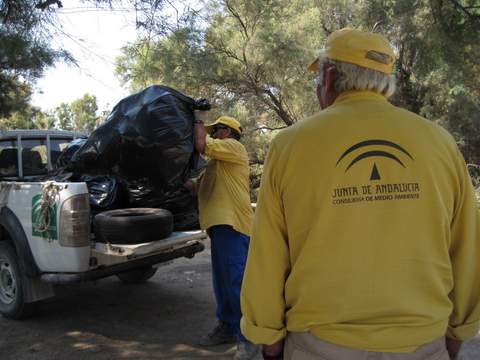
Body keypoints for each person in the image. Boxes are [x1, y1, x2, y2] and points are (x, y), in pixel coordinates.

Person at [240, 28, 480, 360]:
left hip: (319, 343)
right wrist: (459, 331)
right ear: (385, 81)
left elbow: (267, 252)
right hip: (422, 342)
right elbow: (466, 245)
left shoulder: (290, 145)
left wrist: (268, 336)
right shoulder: (439, 141)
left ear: (327, 79)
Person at [190, 113, 259, 360]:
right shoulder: (216, 164)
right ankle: (227, 327)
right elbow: (197, 186)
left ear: (226, 132)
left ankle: (249, 338)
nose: (210, 133)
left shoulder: (234, 147)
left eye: (214, 130)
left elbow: (201, 144)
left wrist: (196, 121)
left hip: (233, 226)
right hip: (220, 227)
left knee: (236, 283)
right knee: (222, 283)